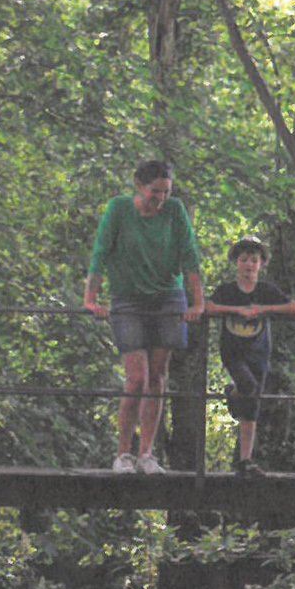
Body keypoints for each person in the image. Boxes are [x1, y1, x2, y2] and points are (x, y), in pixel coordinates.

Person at [84, 159, 204, 474]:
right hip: (129, 299)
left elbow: (189, 255)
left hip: (167, 298)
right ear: (139, 186)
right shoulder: (119, 209)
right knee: (135, 377)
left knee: (157, 377)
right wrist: (91, 298)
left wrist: (197, 303)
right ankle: (123, 453)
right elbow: (101, 252)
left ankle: (148, 453)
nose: (160, 199)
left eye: (166, 192)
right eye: (155, 192)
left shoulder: (175, 211)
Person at [207, 236, 295, 474]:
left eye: (254, 260)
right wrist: (235, 310)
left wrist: (262, 309)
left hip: (259, 353)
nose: (249, 265)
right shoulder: (227, 291)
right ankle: (234, 392)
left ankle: (245, 460)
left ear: (261, 265)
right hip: (233, 351)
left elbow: (294, 308)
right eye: (244, 260)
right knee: (247, 385)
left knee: (252, 403)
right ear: (237, 263)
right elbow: (208, 307)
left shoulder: (266, 291)